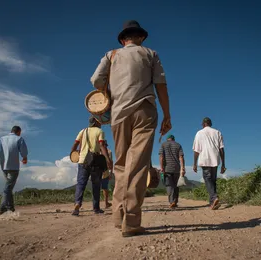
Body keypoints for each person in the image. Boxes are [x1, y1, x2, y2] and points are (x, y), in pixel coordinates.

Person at [90, 20, 171, 237]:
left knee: (121, 164)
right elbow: (161, 84)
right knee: (138, 165)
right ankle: (132, 222)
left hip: (118, 114)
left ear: (123, 39)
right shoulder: (150, 54)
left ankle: (118, 217)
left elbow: (96, 80)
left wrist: (111, 88)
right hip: (145, 110)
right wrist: (167, 114)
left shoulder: (112, 55)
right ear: (141, 37)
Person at [71, 116, 112, 216]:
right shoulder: (99, 131)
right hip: (95, 161)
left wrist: (72, 153)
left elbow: (75, 144)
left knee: (81, 184)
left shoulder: (82, 131)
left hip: (82, 161)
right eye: (99, 121)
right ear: (96, 122)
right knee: (96, 185)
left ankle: (77, 204)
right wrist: (108, 159)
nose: (101, 123)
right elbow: (102, 145)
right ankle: (96, 208)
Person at [0, 126, 28, 215]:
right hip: (14, 167)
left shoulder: (2, 139)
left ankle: (11, 208)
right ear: (19, 132)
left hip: (4, 167)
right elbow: (23, 151)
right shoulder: (19, 139)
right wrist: (24, 158)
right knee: (7, 188)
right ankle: (2, 208)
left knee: (8, 188)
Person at [192, 117, 226, 210]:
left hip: (205, 159)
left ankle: (214, 197)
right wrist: (223, 164)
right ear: (210, 124)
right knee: (213, 180)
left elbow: (196, 150)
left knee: (207, 179)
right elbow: (221, 149)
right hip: (215, 159)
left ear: (203, 124)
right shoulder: (217, 132)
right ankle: (213, 202)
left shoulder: (199, 133)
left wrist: (194, 163)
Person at [159, 134, 185, 208]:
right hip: (176, 168)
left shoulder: (163, 145)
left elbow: (161, 157)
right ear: (173, 139)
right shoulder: (178, 145)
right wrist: (182, 168)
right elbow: (181, 157)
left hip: (167, 168)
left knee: (169, 185)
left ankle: (172, 201)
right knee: (176, 186)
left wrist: (161, 168)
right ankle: (175, 201)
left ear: (167, 139)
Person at [101, 141, 113, 209]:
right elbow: (110, 163)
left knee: (103, 188)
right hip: (105, 172)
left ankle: (104, 203)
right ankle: (106, 203)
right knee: (105, 188)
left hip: (99, 172)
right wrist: (111, 172)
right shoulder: (109, 151)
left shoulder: (97, 150)